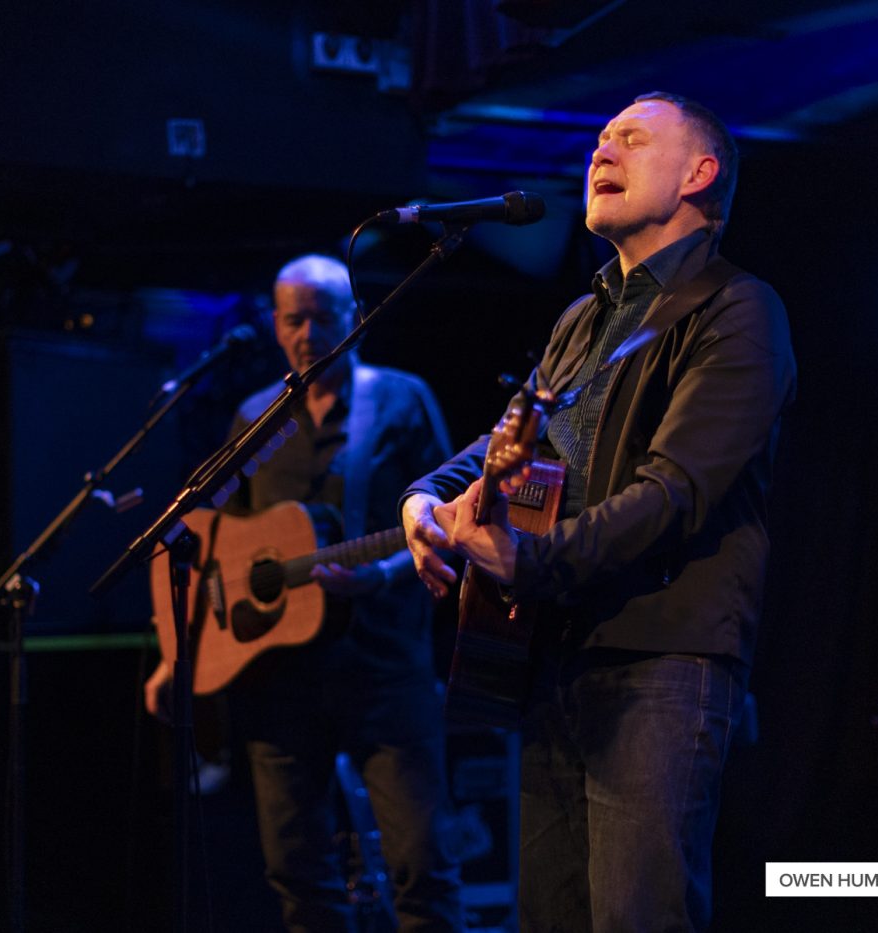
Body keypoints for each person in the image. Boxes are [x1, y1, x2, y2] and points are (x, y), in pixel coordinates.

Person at [401, 92, 797, 932]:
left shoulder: (738, 308)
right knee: (552, 915)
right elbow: (510, 434)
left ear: (700, 173)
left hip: (658, 654)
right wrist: (424, 495)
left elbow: (674, 491)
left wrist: (527, 561)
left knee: (635, 916)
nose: (601, 152)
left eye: (631, 138)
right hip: (551, 649)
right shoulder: (583, 317)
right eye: (599, 140)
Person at [146, 254, 464, 931]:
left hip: (384, 671)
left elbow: (448, 521)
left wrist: (380, 575)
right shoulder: (256, 417)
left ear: (355, 318)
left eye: (323, 317)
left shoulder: (399, 400)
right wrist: (179, 655)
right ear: (274, 323)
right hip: (279, 681)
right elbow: (215, 548)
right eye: (294, 319)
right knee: (297, 872)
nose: (308, 333)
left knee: (421, 867)